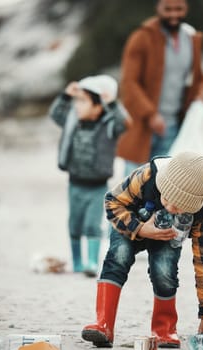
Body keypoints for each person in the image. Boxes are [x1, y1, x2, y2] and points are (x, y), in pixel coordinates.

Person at [82, 151, 203, 348]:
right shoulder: (147, 175)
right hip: (130, 222)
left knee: (164, 272)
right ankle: (103, 325)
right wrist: (140, 228)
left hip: (168, 235)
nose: (171, 207)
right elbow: (112, 202)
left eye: (181, 207)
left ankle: (164, 330)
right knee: (118, 257)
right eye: (167, 198)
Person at [49, 75, 130, 277]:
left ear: (98, 105)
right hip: (74, 184)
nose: (78, 105)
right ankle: (77, 261)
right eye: (77, 101)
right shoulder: (72, 121)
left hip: (98, 187)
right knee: (74, 224)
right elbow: (55, 114)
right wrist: (66, 96)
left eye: (83, 101)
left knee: (92, 225)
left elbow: (124, 123)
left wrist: (112, 102)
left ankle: (92, 261)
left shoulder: (109, 126)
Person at [117, 0, 203, 174]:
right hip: (142, 129)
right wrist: (150, 114)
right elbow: (129, 82)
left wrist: (200, 95)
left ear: (186, 8)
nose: (173, 14)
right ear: (158, 8)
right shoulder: (142, 37)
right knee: (132, 192)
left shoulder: (191, 39)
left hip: (173, 128)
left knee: (163, 190)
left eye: (178, 9)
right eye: (168, 9)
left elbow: (199, 77)